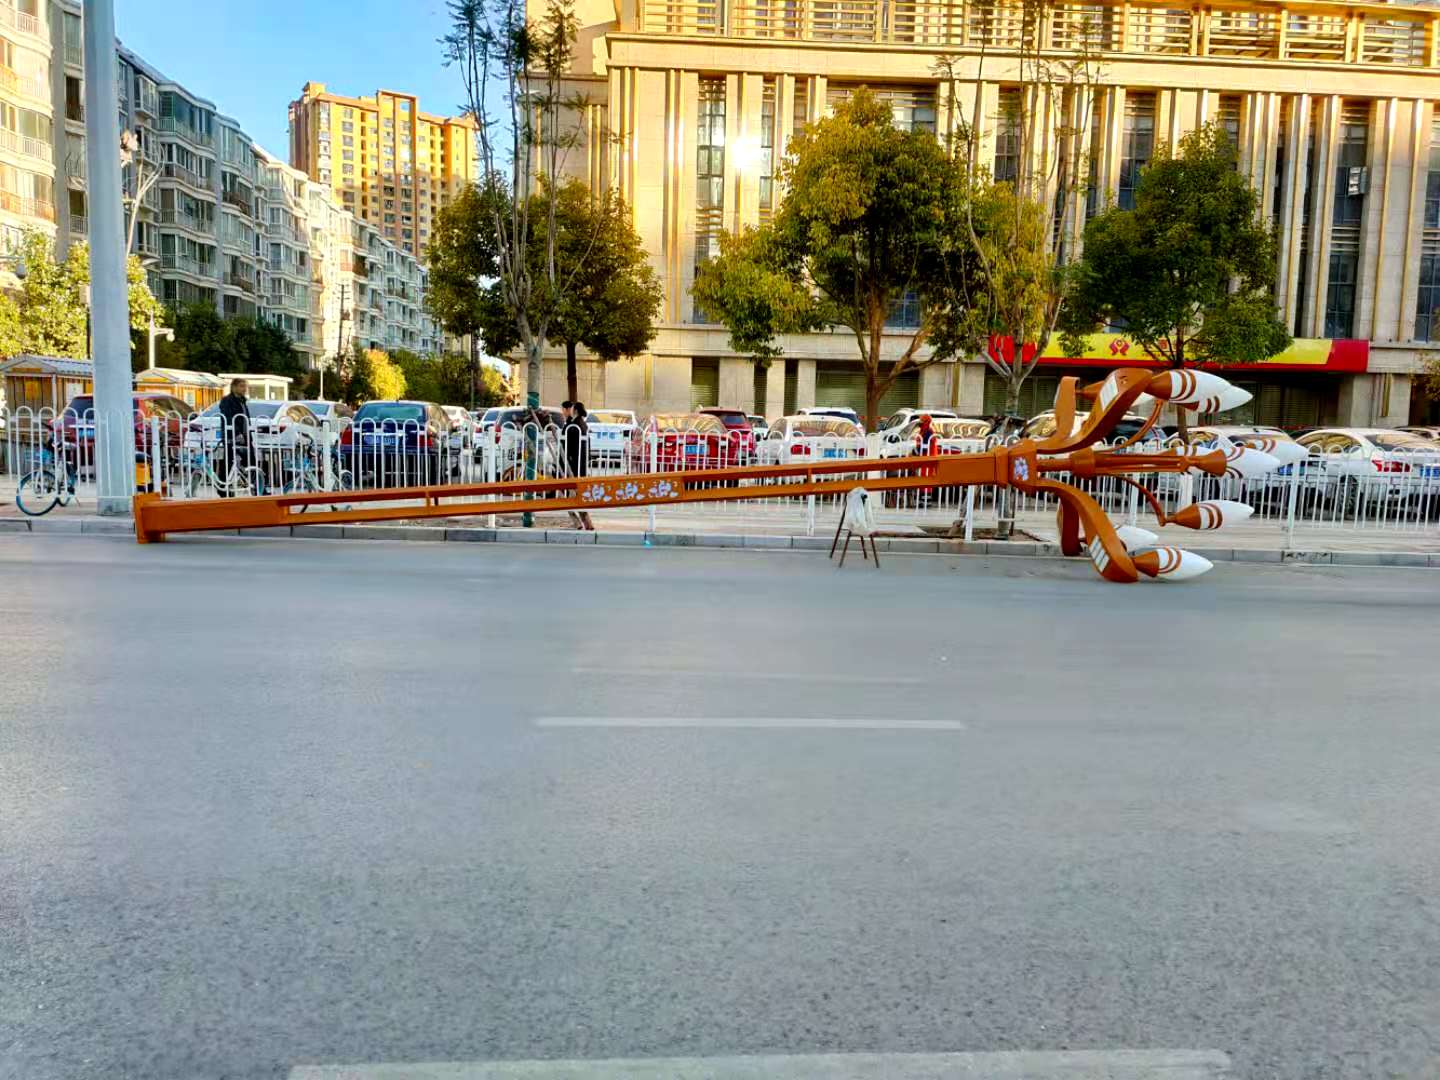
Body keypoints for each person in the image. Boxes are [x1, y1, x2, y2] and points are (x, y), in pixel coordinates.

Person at [562, 400, 595, 531]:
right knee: (576, 496)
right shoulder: (582, 424)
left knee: (569, 497)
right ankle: (586, 523)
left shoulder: (575, 426)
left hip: (574, 466)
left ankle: (579, 523)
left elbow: (569, 447)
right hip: (581, 465)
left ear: (574, 410)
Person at [216, 378, 251, 497]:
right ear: (234, 387)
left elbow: (245, 418)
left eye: (245, 386)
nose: (244, 389)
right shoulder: (227, 401)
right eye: (241, 386)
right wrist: (236, 433)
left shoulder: (243, 401)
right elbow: (228, 418)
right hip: (232, 436)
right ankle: (222, 489)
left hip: (245, 436)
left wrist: (247, 434)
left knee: (250, 460)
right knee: (228, 462)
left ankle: (257, 486)